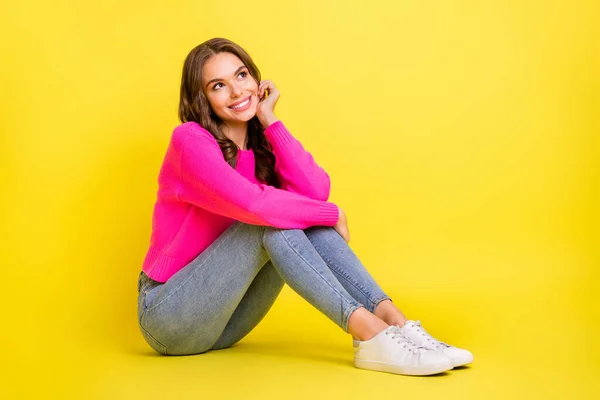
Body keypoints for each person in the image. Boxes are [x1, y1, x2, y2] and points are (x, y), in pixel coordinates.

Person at [136, 37, 473, 376]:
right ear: (202, 99)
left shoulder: (258, 146)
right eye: (218, 86)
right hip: (168, 317)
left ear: (256, 79)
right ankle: (372, 335)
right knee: (269, 221)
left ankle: (394, 322)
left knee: (295, 217)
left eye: (241, 76)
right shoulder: (190, 141)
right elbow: (256, 205)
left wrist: (270, 121)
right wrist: (334, 214)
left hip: (225, 323)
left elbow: (315, 192)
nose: (237, 92)